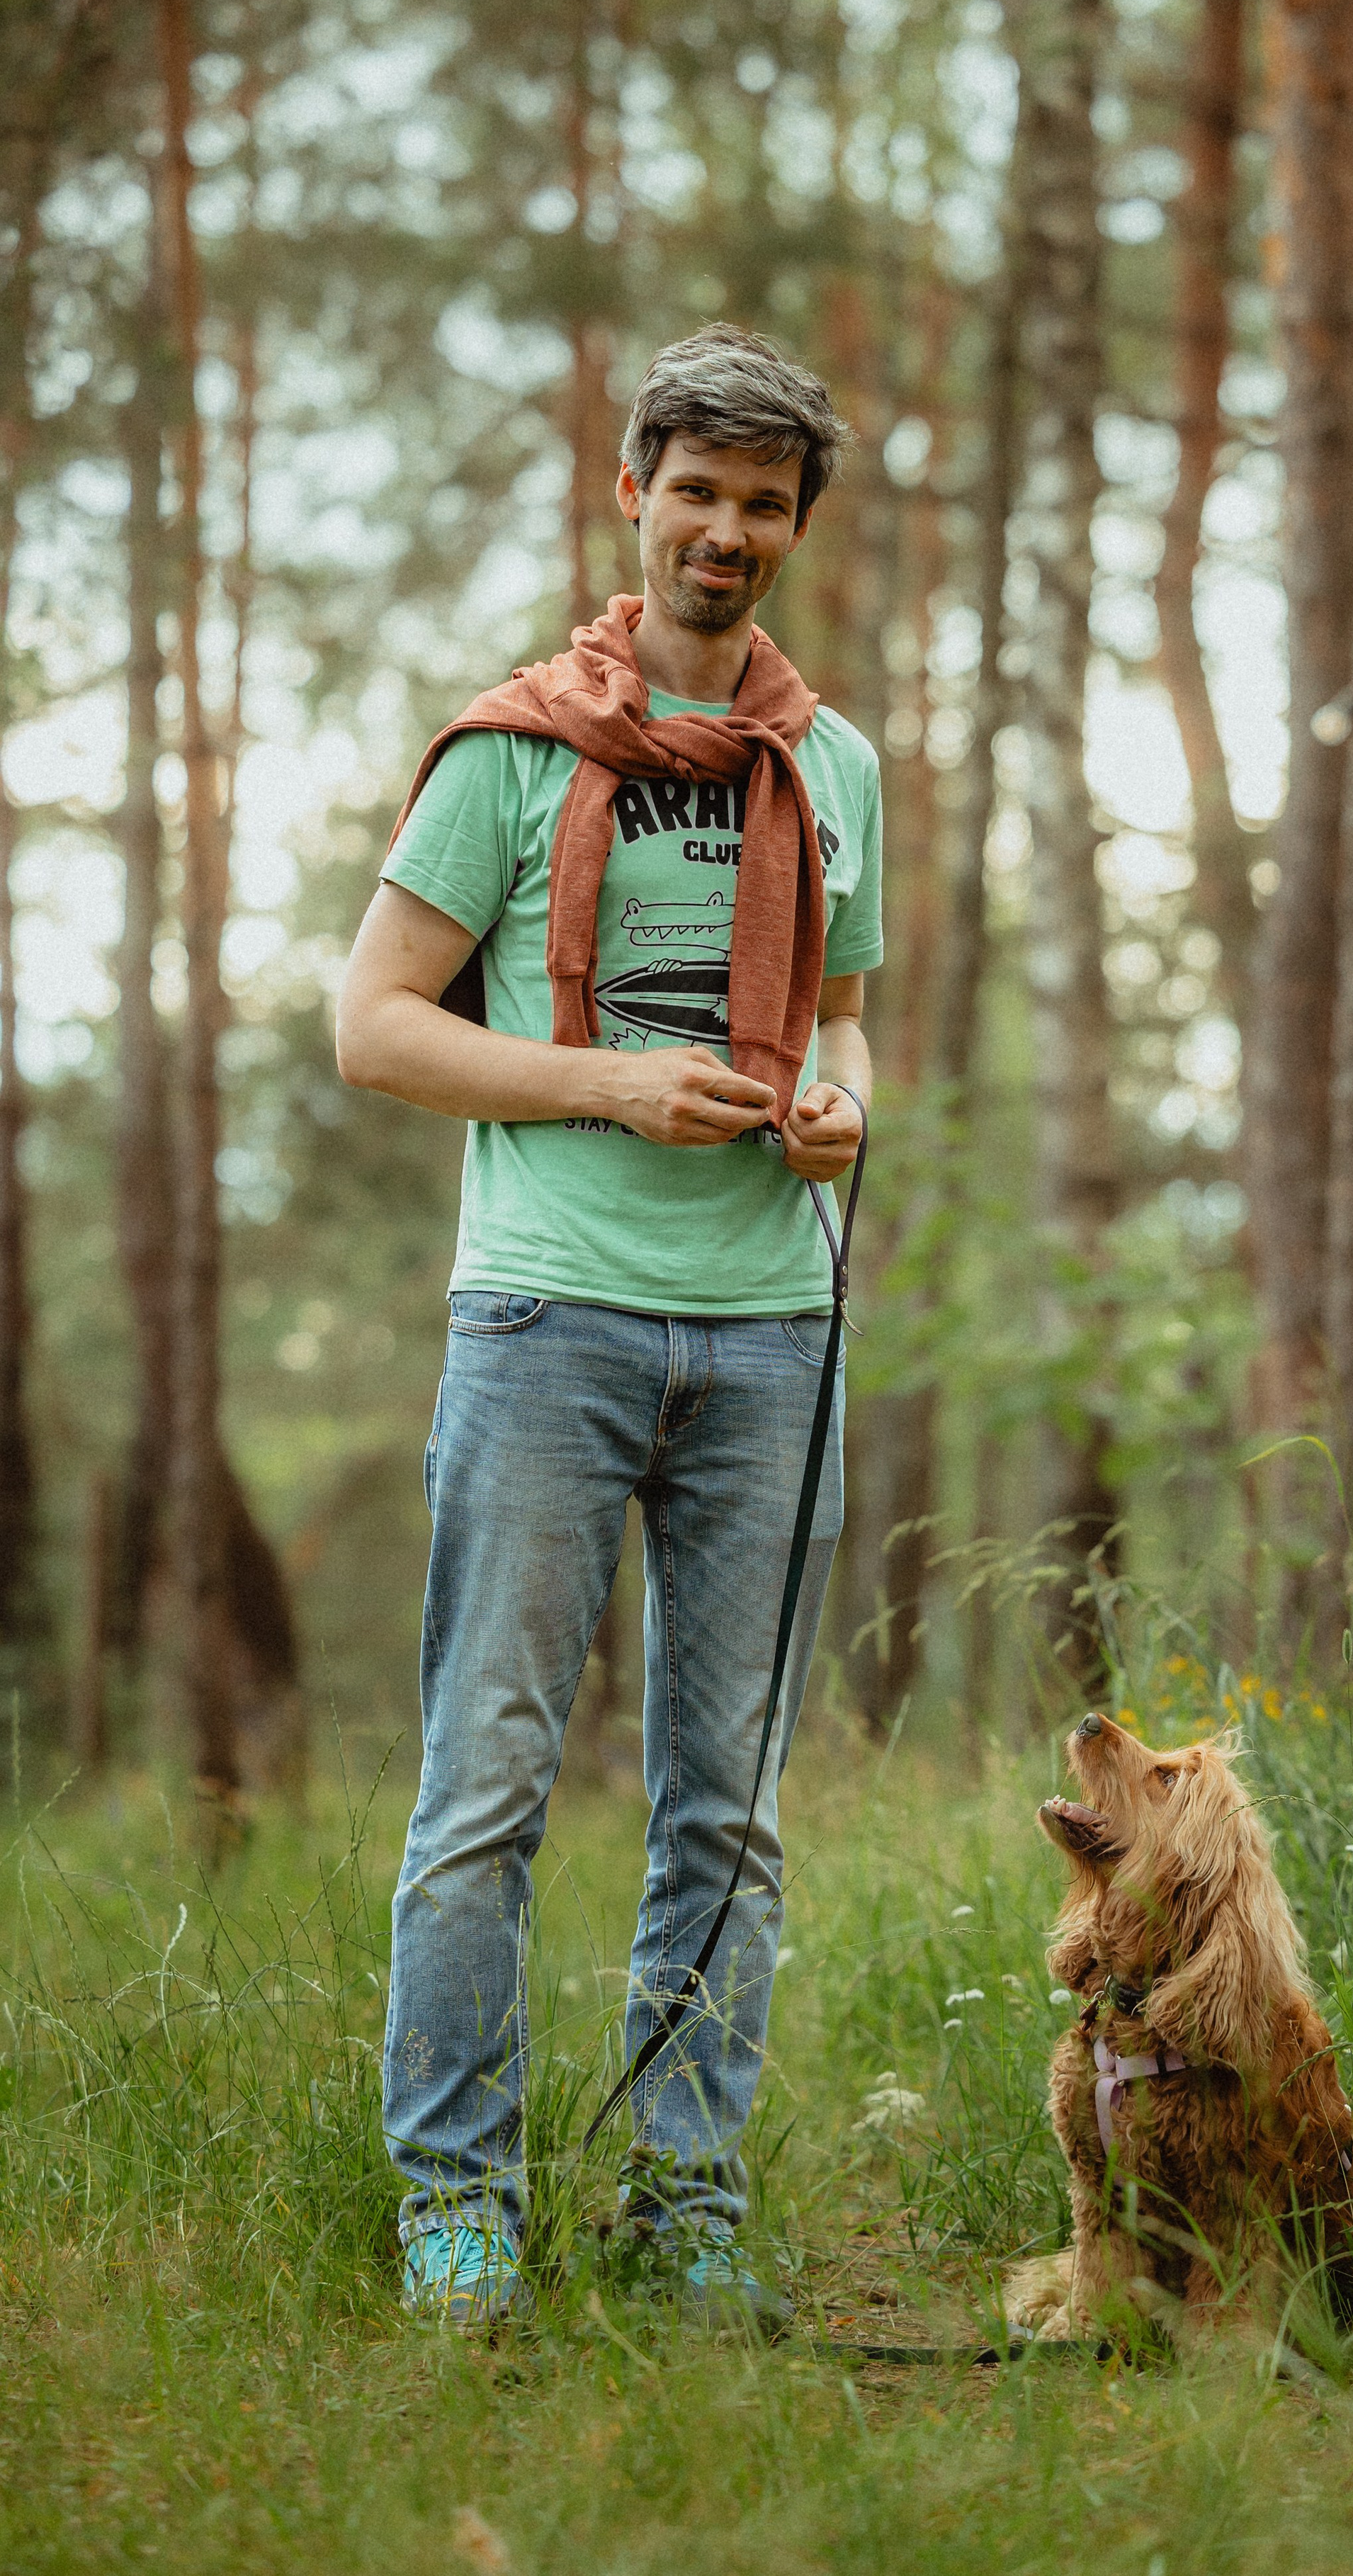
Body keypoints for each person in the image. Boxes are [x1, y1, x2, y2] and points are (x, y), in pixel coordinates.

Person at [336, 326, 878, 2333]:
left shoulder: (837, 771)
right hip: (548, 1322)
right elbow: (374, 1028)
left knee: (724, 1807)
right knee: (489, 1782)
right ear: (632, 491)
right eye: (697, 489)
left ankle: (686, 2209)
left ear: (793, 529)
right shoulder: (513, 755)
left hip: (770, 1337)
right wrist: (613, 1088)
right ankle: (455, 2204)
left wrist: (840, 1108)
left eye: (765, 502)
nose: (725, 530)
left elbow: (841, 1011)